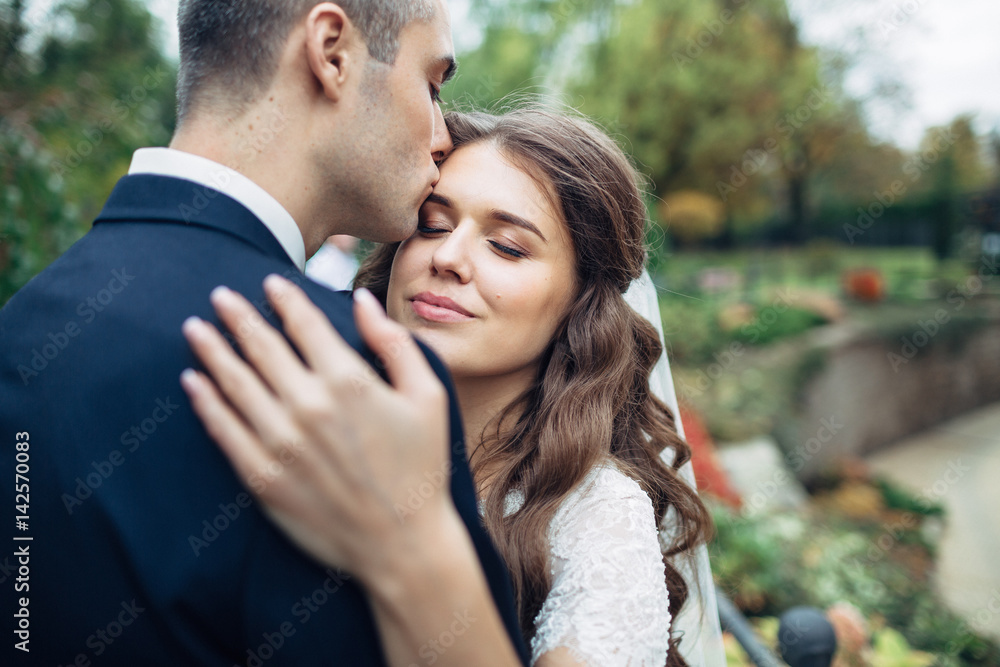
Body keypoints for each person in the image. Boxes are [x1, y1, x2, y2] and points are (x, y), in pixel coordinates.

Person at [0, 1, 528, 665]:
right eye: (432, 84)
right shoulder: (356, 376)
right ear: (332, 52)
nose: (441, 133)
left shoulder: (22, 323)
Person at [181, 107, 726, 666]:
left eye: (508, 246)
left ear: (580, 305)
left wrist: (405, 546)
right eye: (432, 225)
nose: (447, 257)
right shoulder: (303, 421)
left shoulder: (595, 514)